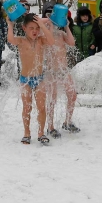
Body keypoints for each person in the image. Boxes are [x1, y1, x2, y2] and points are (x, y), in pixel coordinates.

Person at [6, 14, 54, 144]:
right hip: (25, 80)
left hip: (40, 79)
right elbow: (10, 39)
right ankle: (27, 133)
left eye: (37, 28)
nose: (35, 31)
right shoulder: (21, 41)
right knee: (27, 107)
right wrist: (10, 25)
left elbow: (51, 41)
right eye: (31, 28)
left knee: (41, 107)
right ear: (24, 28)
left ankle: (41, 132)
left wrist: (43, 25)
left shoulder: (41, 40)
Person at [42, 10, 79, 138]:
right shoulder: (44, 34)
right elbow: (49, 39)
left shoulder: (61, 33)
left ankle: (68, 121)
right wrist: (49, 23)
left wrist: (67, 26)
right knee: (52, 99)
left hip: (63, 70)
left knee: (72, 94)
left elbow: (72, 42)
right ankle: (50, 126)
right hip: (51, 71)